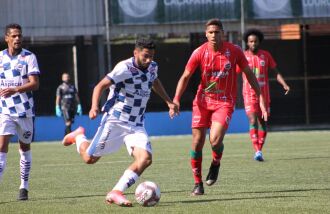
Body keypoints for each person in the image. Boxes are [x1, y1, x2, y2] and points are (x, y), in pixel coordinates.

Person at [61, 38, 178, 206]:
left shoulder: (152, 67)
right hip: (115, 121)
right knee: (89, 159)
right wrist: (94, 106)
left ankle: (116, 191)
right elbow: (99, 86)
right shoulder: (124, 68)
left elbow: (154, 81)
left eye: (152, 56)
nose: (149, 60)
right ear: (135, 53)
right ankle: (79, 137)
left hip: (136, 124)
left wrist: (168, 101)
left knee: (145, 159)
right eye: (145, 56)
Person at [173, 18, 267, 196]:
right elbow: (185, 76)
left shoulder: (234, 51)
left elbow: (249, 74)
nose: (214, 35)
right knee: (197, 142)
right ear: (205, 34)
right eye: (211, 32)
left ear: (222, 33)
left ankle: (216, 162)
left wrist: (260, 95)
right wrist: (176, 99)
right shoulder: (199, 52)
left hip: (224, 101)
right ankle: (197, 183)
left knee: (215, 140)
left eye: (217, 32)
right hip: (202, 101)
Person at [0, 23, 40, 200]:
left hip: (25, 110)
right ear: (7, 38)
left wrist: (15, 90)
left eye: (19, 36)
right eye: (14, 36)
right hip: (4, 110)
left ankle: (24, 187)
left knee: (24, 148)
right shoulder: (0, 58)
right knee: (1, 147)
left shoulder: (29, 57)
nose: (17, 38)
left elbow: (35, 83)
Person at [241, 29, 290, 161]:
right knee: (252, 120)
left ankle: (259, 150)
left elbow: (276, 72)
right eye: (251, 41)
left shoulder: (266, 55)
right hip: (248, 94)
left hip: (264, 95)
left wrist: (284, 84)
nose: (253, 43)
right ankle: (257, 151)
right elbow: (232, 72)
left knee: (263, 122)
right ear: (247, 42)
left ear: (259, 42)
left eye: (255, 41)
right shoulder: (242, 57)